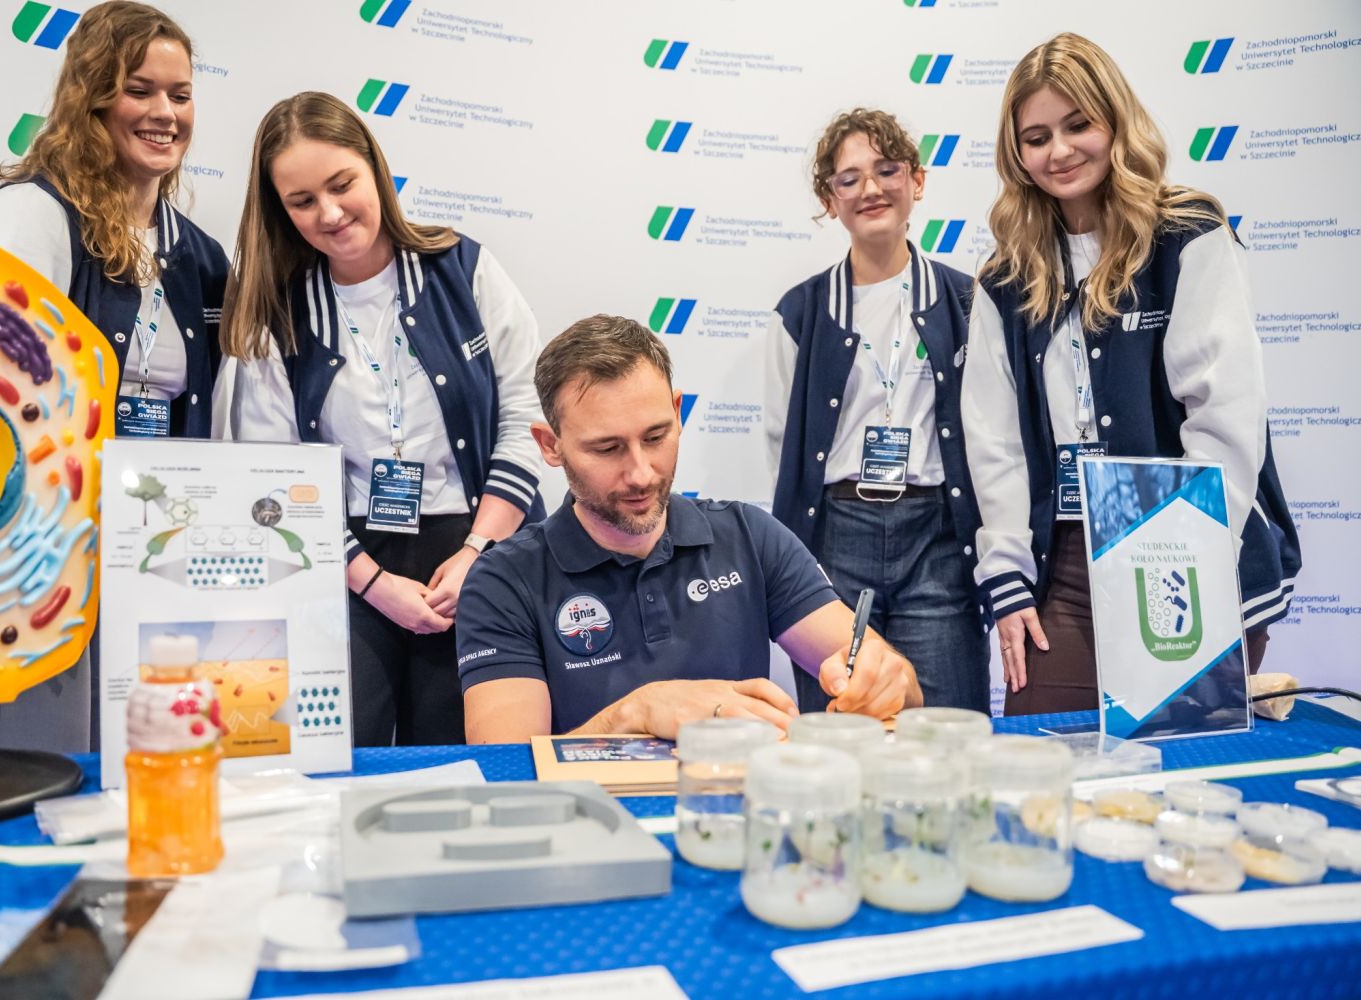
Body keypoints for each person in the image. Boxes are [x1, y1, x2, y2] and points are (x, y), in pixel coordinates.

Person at [962, 32, 1301, 715]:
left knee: (1179, 762)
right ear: (1016, 154)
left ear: (1115, 121)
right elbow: (994, 444)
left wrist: (1192, 554)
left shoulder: (1187, 234)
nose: (1059, 151)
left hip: (1190, 546)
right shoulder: (1005, 277)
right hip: (1064, 560)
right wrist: (1006, 575)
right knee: (1047, 752)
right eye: (1036, 138)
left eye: (1078, 125)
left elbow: (1224, 413)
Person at [218, 92, 544, 747]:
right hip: (344, 561)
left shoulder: (464, 270)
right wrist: (373, 584)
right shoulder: (277, 312)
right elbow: (274, 479)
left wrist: (477, 553)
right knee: (342, 757)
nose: (329, 213)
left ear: (375, 168)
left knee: (461, 761)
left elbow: (528, 417)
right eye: (302, 201)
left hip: (477, 547)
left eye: (342, 185)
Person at [454, 315, 921, 742]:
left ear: (678, 413)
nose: (641, 474)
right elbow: (505, 769)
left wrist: (885, 682)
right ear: (550, 445)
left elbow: (904, 690)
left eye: (656, 437)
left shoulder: (749, 537)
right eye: (607, 449)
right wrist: (636, 712)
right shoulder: (504, 581)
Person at [767, 108, 987, 714]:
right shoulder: (801, 312)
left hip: (938, 536)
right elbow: (781, 446)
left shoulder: (967, 300)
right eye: (850, 178)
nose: (871, 189)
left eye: (887, 170)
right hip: (835, 534)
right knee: (842, 724)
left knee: (945, 723)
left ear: (917, 181)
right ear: (828, 198)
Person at [0, 1, 227, 440]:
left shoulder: (205, 258)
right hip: (49, 478)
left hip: (163, 484)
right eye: (139, 91)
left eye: (180, 96)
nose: (166, 112)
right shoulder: (28, 216)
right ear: (90, 100)